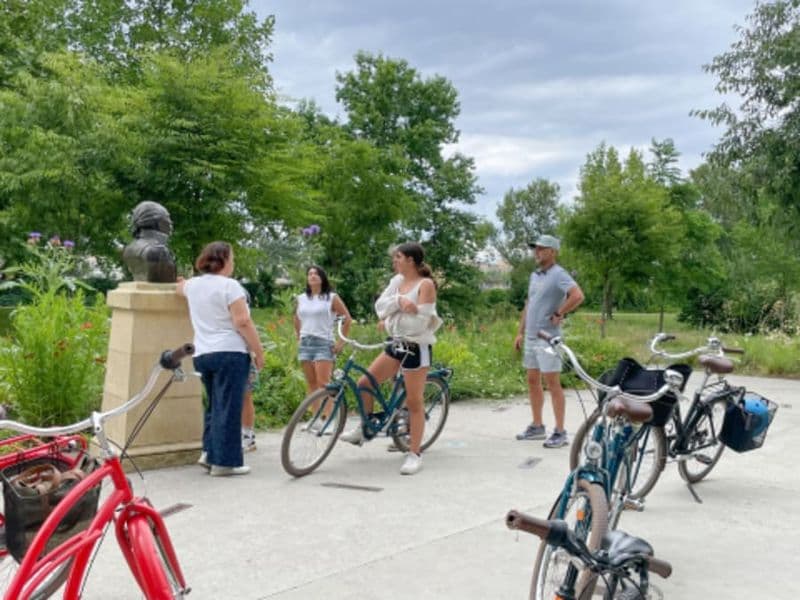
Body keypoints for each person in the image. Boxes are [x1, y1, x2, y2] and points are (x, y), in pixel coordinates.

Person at [340, 242, 442, 476]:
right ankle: (366, 428)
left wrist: (389, 319)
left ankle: (414, 454)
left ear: (411, 260)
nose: (394, 261)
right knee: (365, 383)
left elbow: (419, 323)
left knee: (414, 403)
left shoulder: (425, 285)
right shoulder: (397, 282)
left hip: (416, 347)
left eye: (398, 257)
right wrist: (398, 304)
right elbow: (379, 307)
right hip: (395, 343)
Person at [177, 241, 265, 476]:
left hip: (203, 354)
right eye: (232, 259)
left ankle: (209, 453)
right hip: (230, 352)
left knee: (214, 404)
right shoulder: (230, 286)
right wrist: (258, 350)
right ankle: (224, 463)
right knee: (228, 406)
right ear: (223, 260)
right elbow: (242, 321)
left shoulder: (192, 286)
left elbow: (180, 287)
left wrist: (181, 282)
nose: (233, 263)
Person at [514, 234, 584, 448]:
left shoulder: (558, 274)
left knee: (552, 384)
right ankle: (537, 427)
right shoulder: (535, 275)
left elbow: (577, 295)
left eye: (542, 249)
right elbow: (529, 303)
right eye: (535, 249)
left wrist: (560, 312)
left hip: (548, 338)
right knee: (532, 381)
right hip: (531, 336)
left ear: (553, 252)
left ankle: (561, 432)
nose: (537, 252)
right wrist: (520, 332)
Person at [293, 265, 352, 412]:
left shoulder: (331, 298)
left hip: (323, 342)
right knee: (311, 383)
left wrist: (341, 342)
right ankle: (316, 418)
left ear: (322, 278)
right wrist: (298, 336)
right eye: (310, 274)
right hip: (306, 342)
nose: (312, 276)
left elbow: (347, 319)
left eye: (316, 274)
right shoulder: (301, 298)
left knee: (324, 384)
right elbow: (296, 318)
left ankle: (328, 418)